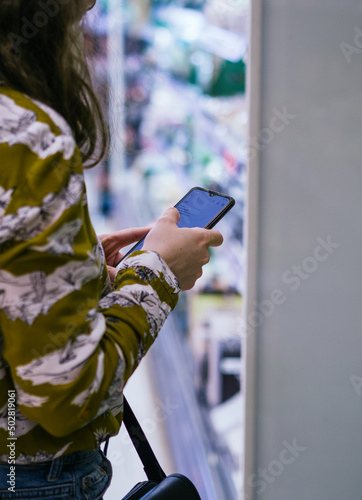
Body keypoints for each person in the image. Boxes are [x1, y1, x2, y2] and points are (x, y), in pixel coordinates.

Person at [0, 1, 223, 498]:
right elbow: (68, 393)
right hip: (27, 472)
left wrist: (68, 271)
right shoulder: (27, 137)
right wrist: (157, 270)